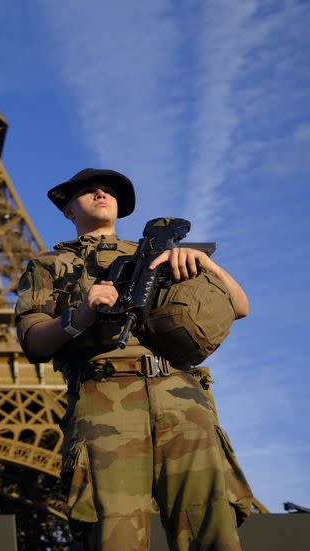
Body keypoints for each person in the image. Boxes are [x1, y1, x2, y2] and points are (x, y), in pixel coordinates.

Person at [14, 168, 251, 550]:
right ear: (67, 210)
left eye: (108, 190)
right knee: (115, 533)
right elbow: (34, 341)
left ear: (120, 206)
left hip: (181, 396)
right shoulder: (49, 265)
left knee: (213, 527)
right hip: (105, 398)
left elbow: (240, 307)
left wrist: (205, 264)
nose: (100, 193)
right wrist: (81, 315)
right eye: (88, 190)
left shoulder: (160, 254)